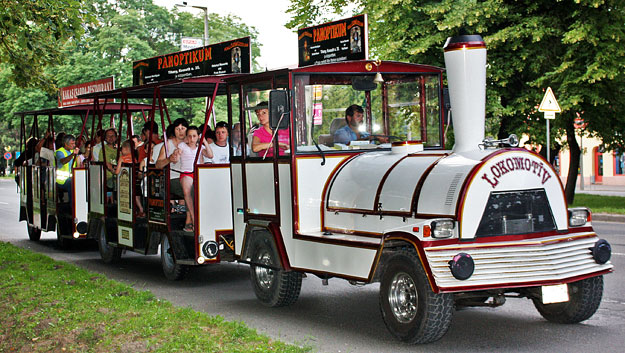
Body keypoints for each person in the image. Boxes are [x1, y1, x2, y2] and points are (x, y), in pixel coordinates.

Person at [177, 126, 213, 232]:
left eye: (194, 136)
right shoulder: (182, 145)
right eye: (189, 136)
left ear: (198, 137)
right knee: (187, 192)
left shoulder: (200, 148)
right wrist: (176, 155)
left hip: (198, 173)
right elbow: (177, 156)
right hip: (186, 173)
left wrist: (204, 142)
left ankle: (204, 218)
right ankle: (194, 218)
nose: (192, 139)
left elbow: (210, 155)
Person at [55, 134, 79, 201]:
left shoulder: (72, 151)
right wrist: (73, 154)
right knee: (71, 183)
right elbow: (63, 161)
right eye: (72, 144)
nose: (74, 145)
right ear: (66, 144)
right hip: (62, 180)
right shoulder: (59, 152)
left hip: (72, 177)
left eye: (74, 143)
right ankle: (72, 206)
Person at [98, 128, 119, 193]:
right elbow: (105, 164)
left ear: (116, 137)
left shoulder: (119, 150)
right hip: (108, 177)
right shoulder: (103, 149)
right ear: (105, 138)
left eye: (112, 136)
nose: (111, 138)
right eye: (108, 136)